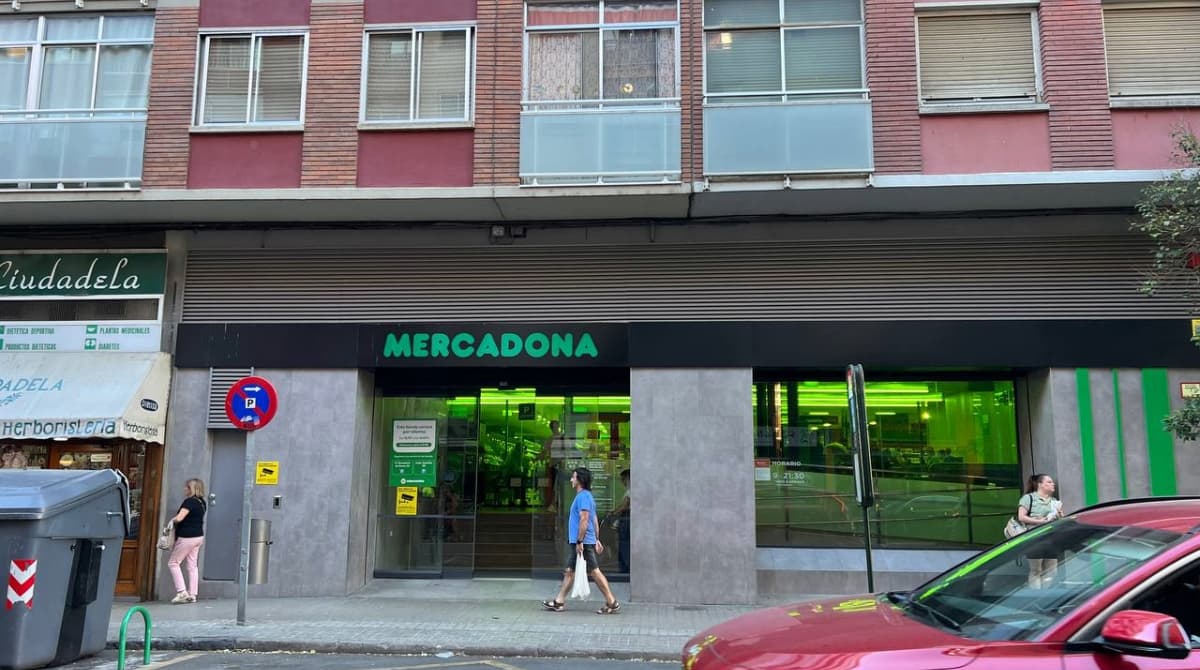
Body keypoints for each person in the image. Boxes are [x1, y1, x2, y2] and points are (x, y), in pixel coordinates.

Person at [541, 467, 621, 614]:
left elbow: (585, 519)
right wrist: (597, 539)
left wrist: (580, 541)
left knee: (595, 572)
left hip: (583, 543)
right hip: (585, 541)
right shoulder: (586, 496)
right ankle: (559, 602)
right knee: (569, 571)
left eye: (573, 477)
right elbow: (594, 519)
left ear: (580, 480)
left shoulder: (583, 497)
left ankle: (612, 602)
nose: (571, 480)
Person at [1017, 473, 1062, 588]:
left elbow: (1060, 519)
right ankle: (1036, 594)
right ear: (1040, 484)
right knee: (1036, 570)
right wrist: (1040, 522)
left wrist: (1060, 515)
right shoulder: (1029, 498)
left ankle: (1044, 594)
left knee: (1052, 571)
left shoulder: (1054, 501)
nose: (1053, 484)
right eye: (1049, 482)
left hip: (1051, 539)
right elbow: (1021, 517)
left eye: (1052, 482)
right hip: (1034, 539)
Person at [167, 478, 207, 604]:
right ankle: (193, 594)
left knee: (173, 563)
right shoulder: (202, 502)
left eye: (186, 487)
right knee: (192, 566)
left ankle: (182, 592)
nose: (184, 489)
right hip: (198, 537)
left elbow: (180, 518)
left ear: (192, 489)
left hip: (187, 537)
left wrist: (171, 522)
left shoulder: (189, 502)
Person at [608, 469, 631, 574]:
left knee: (624, 543)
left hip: (626, 519)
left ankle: (625, 567)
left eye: (623, 479)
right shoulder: (629, 490)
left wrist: (614, 513)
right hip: (626, 518)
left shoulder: (630, 490)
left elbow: (625, 505)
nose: (622, 481)